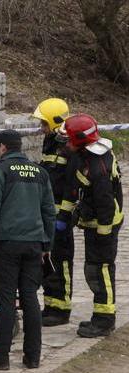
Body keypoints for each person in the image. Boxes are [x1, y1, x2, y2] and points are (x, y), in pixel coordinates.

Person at [0, 129, 56, 370]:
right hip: (34, 244)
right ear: (19, 146)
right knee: (31, 298)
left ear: (2, 147)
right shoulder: (40, 172)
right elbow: (49, 212)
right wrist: (47, 245)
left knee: (6, 300)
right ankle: (32, 357)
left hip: (7, 244)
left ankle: (0, 357)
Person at [62, 114, 123, 338]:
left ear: (79, 140)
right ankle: (100, 317)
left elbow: (105, 204)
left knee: (101, 270)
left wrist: (104, 234)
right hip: (95, 225)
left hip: (103, 227)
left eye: (69, 140)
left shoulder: (97, 167)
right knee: (94, 270)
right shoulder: (90, 155)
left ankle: (105, 320)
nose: (66, 144)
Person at [32, 98, 75, 326]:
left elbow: (71, 184)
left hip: (61, 217)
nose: (42, 129)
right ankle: (51, 306)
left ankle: (61, 309)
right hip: (48, 215)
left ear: (55, 122)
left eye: (44, 124)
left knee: (61, 262)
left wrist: (65, 216)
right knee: (48, 261)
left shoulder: (70, 146)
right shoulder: (50, 142)